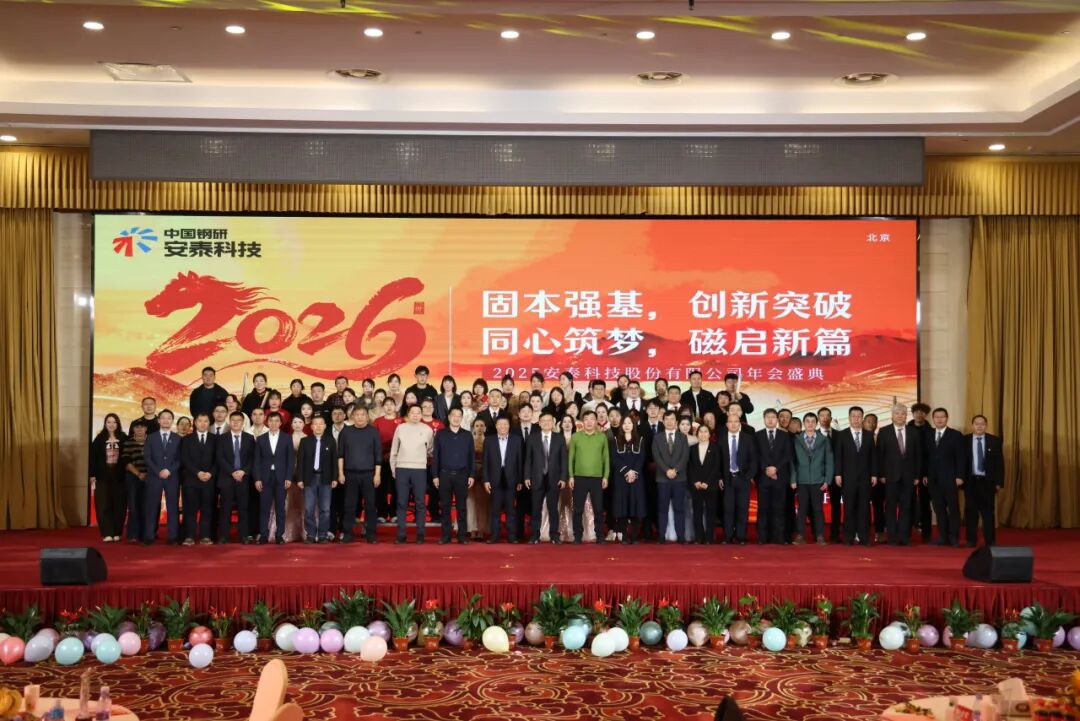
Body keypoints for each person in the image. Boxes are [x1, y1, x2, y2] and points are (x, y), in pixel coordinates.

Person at [875, 404, 923, 546]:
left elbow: (918, 455)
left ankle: (905, 537)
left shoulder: (914, 432)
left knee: (906, 507)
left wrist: (917, 476)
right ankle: (892, 538)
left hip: (909, 477)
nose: (900, 416)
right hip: (890, 477)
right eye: (897, 413)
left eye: (903, 413)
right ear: (892, 416)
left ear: (906, 416)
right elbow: (880, 455)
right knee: (890, 508)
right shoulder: (884, 431)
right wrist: (881, 474)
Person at [336, 406, 383, 543]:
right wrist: (341, 473)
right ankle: (348, 534)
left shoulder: (373, 432)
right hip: (350, 473)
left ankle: (371, 534)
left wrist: (377, 475)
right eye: (357, 414)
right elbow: (340, 455)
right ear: (352, 416)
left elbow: (378, 455)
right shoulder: (346, 432)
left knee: (370, 505)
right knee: (349, 505)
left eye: (363, 414)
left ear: (367, 417)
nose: (360, 417)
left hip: (369, 474)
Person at [390, 404, 435, 544]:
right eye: (413, 412)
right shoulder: (400, 428)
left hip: (419, 469)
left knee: (420, 502)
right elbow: (394, 450)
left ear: (421, 414)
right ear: (408, 414)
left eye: (418, 412)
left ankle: (420, 534)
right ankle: (401, 535)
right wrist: (394, 469)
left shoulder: (427, 430)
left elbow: (431, 450)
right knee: (401, 502)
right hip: (402, 468)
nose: (415, 415)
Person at [833, 406, 875, 546]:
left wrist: (874, 474)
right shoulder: (842, 435)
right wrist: (838, 474)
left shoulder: (869, 435)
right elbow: (838, 456)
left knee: (864, 508)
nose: (856, 419)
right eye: (853, 416)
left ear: (862, 418)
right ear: (849, 418)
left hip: (865, 478)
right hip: (847, 477)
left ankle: (864, 537)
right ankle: (848, 537)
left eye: (858, 416)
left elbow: (873, 457)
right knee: (849, 508)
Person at [433, 407, 475, 545]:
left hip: (462, 475)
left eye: (459, 416)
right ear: (449, 417)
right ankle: (445, 536)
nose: (456, 418)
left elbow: (471, 457)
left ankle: (462, 536)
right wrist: (435, 475)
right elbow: (436, 456)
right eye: (453, 415)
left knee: (461, 507)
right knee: (445, 506)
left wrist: (472, 475)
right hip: (444, 475)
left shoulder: (467, 435)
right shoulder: (441, 434)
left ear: (462, 418)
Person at [523, 410, 567, 544]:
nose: (547, 423)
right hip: (536, 478)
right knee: (536, 508)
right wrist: (527, 477)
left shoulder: (559, 438)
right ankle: (534, 535)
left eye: (549, 420)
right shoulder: (532, 438)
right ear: (539, 423)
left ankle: (554, 535)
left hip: (554, 478)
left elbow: (563, 460)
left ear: (553, 423)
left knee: (553, 508)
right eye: (544, 421)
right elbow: (528, 459)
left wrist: (563, 477)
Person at [567, 409, 609, 545]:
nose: (589, 422)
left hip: (597, 478)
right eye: (586, 419)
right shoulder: (576, 437)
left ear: (596, 421)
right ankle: (577, 536)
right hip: (579, 477)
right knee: (577, 509)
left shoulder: (602, 437)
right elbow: (571, 458)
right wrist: (571, 476)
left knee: (598, 509)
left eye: (592, 419)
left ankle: (600, 536)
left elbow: (606, 458)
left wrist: (605, 476)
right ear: (582, 422)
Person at [791, 412, 833, 545]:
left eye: (813, 421)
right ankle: (800, 536)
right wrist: (793, 479)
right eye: (807, 421)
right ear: (804, 423)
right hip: (802, 480)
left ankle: (820, 536)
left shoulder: (824, 439)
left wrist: (827, 480)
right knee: (801, 509)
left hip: (818, 480)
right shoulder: (796, 439)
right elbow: (792, 462)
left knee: (818, 509)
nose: (810, 424)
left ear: (816, 423)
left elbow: (829, 461)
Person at [253, 411, 295, 545]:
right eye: (271, 421)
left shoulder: (287, 438)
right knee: (264, 508)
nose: (273, 423)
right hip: (265, 477)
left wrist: (288, 477)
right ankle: (263, 535)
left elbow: (290, 460)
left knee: (280, 508)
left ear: (281, 423)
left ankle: (279, 535)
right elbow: (256, 461)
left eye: (277, 421)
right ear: (267, 422)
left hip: (281, 477)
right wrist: (257, 479)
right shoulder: (261, 439)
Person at [926, 407, 965, 547]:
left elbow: (961, 457)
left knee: (953, 509)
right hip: (933, 479)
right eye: (936, 417)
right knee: (939, 509)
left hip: (951, 478)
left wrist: (960, 476)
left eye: (942, 417)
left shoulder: (955, 435)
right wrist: (925, 474)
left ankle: (954, 537)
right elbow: (925, 457)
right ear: (933, 419)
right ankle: (943, 537)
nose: (939, 419)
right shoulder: (928, 434)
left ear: (947, 418)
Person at [142, 409, 182, 545]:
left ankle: (173, 537)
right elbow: (147, 457)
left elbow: (180, 459)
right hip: (154, 476)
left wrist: (169, 470)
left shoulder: (178, 438)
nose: (166, 420)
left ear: (172, 421)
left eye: (169, 418)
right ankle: (149, 536)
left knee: (173, 507)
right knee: (152, 506)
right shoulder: (151, 437)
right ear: (158, 420)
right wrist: (158, 470)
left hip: (172, 477)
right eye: (163, 418)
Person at [963, 414, 1003, 547]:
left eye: (982, 424)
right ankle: (971, 540)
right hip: (970, 481)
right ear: (972, 425)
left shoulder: (994, 441)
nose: (979, 426)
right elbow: (961, 462)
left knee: (988, 513)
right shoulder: (964, 440)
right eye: (977, 424)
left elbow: (999, 463)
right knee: (971, 512)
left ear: (986, 426)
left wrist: (998, 482)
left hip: (987, 482)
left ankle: (990, 541)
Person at [483, 416, 524, 543]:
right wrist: (486, 480)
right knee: (495, 510)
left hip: (511, 479)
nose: (503, 426)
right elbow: (485, 462)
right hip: (494, 479)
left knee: (511, 510)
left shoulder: (516, 440)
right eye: (500, 424)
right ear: (496, 426)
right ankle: (494, 536)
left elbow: (520, 461)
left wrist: (520, 480)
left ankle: (512, 536)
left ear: (509, 426)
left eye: (505, 424)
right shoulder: (489, 440)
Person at [297, 415, 337, 543]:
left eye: (321, 424)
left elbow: (334, 461)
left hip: (326, 478)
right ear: (311, 426)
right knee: (309, 508)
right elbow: (300, 462)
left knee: (325, 509)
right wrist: (300, 479)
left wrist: (334, 478)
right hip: (309, 478)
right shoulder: (305, 441)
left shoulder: (331, 441)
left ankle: (323, 535)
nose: (318, 426)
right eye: (316, 424)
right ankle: (310, 534)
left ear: (325, 426)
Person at [216, 411, 255, 544]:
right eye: (233, 420)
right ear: (229, 422)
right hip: (226, 478)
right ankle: (224, 536)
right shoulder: (222, 438)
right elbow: (220, 458)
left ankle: (244, 536)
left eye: (239, 420)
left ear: (243, 423)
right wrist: (232, 472)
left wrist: (243, 471)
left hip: (243, 478)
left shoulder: (249, 438)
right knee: (225, 509)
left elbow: (252, 458)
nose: (236, 422)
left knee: (243, 508)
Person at [754, 409, 792, 545]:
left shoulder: (784, 435)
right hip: (763, 478)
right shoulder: (757, 435)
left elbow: (787, 455)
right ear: (764, 419)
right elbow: (755, 455)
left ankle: (779, 537)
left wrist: (775, 468)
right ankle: (762, 537)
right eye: (768, 417)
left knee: (779, 508)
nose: (770, 420)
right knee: (763, 509)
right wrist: (767, 469)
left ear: (777, 419)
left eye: (773, 417)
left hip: (780, 477)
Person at [180, 413, 217, 545]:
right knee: (190, 509)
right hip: (191, 479)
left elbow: (218, 459)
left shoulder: (215, 439)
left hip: (209, 480)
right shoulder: (187, 439)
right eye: (200, 421)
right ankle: (189, 536)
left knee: (207, 509)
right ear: (195, 423)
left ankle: (205, 536)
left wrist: (210, 473)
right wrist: (197, 472)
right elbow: (184, 458)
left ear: (209, 423)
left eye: (205, 421)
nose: (203, 423)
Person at [720, 414, 758, 545]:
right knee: (728, 509)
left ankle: (741, 536)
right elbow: (717, 461)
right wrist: (720, 477)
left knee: (743, 508)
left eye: (736, 421)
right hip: (727, 479)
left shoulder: (748, 439)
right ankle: (727, 536)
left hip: (743, 479)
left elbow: (754, 460)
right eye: (730, 422)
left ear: (740, 423)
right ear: (726, 424)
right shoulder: (721, 439)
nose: (733, 424)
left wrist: (748, 477)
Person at [653, 409, 689, 544]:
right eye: (666, 419)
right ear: (663, 421)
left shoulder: (683, 437)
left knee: (679, 508)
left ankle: (681, 536)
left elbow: (685, 457)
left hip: (679, 478)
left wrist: (675, 470)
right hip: (662, 478)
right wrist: (667, 470)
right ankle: (661, 536)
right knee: (662, 508)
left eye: (672, 419)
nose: (669, 422)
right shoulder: (657, 438)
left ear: (676, 422)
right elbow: (656, 456)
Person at [90, 413, 127, 542]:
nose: (111, 425)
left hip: (119, 476)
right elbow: (92, 458)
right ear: (105, 424)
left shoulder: (124, 438)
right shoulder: (99, 438)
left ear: (118, 424)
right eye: (109, 422)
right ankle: (107, 532)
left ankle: (117, 532)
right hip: (102, 476)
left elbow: (127, 457)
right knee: (103, 504)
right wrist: (92, 475)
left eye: (114, 422)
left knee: (119, 504)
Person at [687, 423, 721, 544]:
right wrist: (695, 481)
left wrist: (707, 482)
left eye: (705, 431)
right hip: (696, 485)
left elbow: (716, 467)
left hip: (710, 485)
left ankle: (709, 537)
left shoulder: (715, 448)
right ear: (697, 434)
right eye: (700, 432)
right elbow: (690, 467)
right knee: (697, 512)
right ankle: (698, 537)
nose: (703, 434)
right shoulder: (692, 449)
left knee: (711, 512)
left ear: (709, 434)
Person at [907, 402, 935, 542]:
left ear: (926, 414)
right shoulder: (906, 429)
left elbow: (932, 455)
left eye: (922, 412)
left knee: (925, 503)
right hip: (908, 472)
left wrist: (927, 473)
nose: (919, 414)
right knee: (908, 502)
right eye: (917, 412)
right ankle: (907, 533)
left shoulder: (931, 432)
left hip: (925, 473)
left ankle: (926, 534)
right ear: (913, 414)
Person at [373, 397, 404, 522]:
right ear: (383, 407)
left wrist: (393, 453)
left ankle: (394, 513)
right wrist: (383, 454)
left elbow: (404, 440)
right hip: (381, 459)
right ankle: (381, 513)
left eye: (391, 404)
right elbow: (374, 440)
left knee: (397, 487)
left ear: (395, 407)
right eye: (386, 404)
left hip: (398, 459)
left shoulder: (401, 421)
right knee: (381, 487)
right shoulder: (378, 421)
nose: (389, 407)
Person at [122, 420, 149, 542]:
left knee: (146, 506)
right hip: (133, 477)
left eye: (142, 427)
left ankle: (145, 534)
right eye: (136, 427)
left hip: (150, 477)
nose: (139, 429)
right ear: (133, 429)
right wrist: (138, 473)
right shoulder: (128, 442)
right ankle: (133, 534)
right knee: (133, 506)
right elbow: (126, 461)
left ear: (146, 429)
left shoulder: (152, 441)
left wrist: (147, 473)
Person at [863, 413, 885, 543]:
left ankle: (879, 532)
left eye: (873, 422)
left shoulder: (881, 438)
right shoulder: (859, 437)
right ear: (863, 422)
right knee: (863, 507)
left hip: (879, 479)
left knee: (878, 506)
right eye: (868, 421)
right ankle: (864, 532)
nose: (871, 424)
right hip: (862, 478)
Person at [468, 418, 491, 540]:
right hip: (471, 476)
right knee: (470, 502)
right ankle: (472, 529)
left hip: (484, 476)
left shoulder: (489, 441)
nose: (479, 428)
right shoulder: (469, 441)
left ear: (485, 428)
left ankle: (481, 530)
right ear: (473, 428)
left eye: (482, 425)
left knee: (483, 504)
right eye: (477, 425)